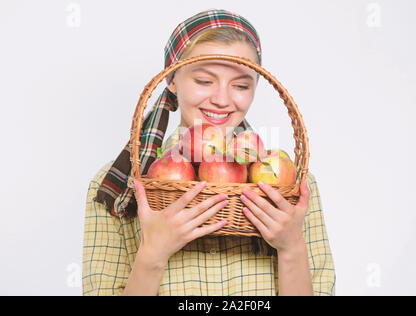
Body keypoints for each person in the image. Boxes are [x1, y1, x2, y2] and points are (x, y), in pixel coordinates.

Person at [83, 8, 336, 296]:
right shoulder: (122, 186)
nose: (221, 99)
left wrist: (291, 248)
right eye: (204, 81)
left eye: (241, 85)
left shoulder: (291, 188)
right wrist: (152, 255)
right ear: (172, 80)